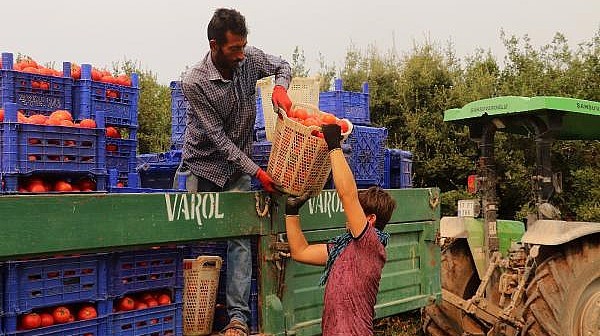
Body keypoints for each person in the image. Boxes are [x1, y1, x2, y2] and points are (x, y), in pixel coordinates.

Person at [177, 8, 292, 336]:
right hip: (200, 167)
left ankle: (237, 319)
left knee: (239, 238)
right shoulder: (195, 82)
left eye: (243, 46)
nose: (241, 55)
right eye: (234, 49)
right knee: (191, 236)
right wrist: (259, 172)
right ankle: (191, 313)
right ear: (215, 46)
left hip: (239, 168)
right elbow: (219, 140)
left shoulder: (249, 59)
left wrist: (279, 88)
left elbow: (283, 65)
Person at [284, 124, 397, 335]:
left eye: (356, 211)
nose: (348, 213)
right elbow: (301, 252)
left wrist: (334, 146)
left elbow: (348, 196)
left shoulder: (371, 245)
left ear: (370, 219)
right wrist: (291, 213)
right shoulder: (342, 248)